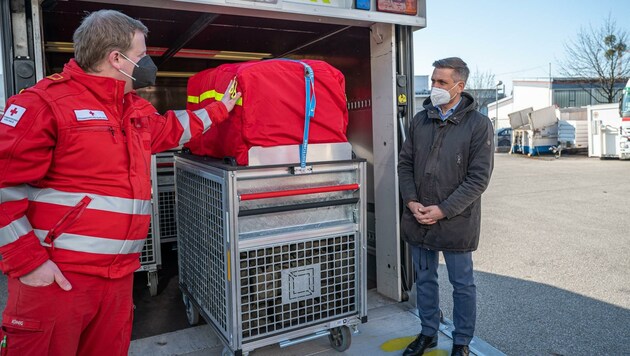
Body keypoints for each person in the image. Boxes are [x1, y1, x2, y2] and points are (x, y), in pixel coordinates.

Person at [0, 9, 241, 355]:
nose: (147, 64)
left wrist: (221, 109)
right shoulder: (44, 105)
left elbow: (174, 128)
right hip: (59, 282)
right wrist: (29, 263)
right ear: (116, 58)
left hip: (117, 279)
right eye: (141, 55)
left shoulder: (134, 109)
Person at [397, 57, 494, 356]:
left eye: (442, 82)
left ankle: (461, 342)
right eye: (433, 81)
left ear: (459, 86)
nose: (434, 87)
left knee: (462, 283)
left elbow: (478, 179)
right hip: (419, 217)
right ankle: (428, 333)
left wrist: (442, 210)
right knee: (425, 279)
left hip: (455, 220)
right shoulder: (420, 119)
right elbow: (405, 165)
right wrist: (412, 202)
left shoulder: (478, 125)